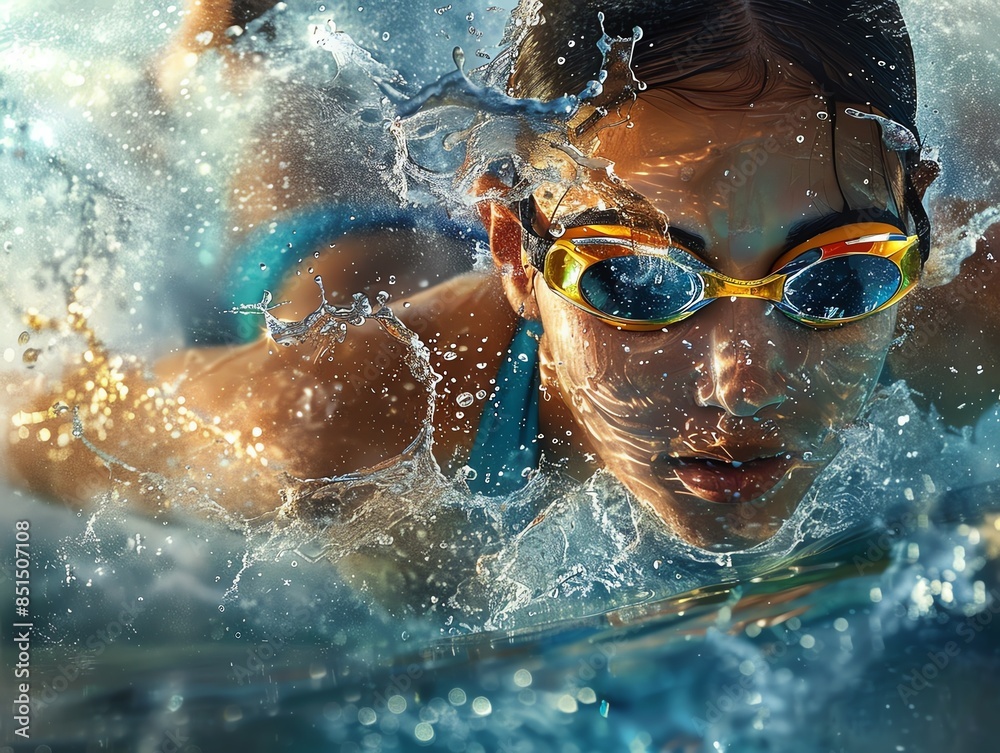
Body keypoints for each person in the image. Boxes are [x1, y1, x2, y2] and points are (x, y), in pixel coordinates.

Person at [3, 0, 986, 552]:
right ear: (516, 255)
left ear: (919, 233)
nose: (741, 379)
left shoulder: (968, 315)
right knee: (274, 105)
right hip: (331, 271)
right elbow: (37, 422)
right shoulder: (338, 423)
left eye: (837, 282)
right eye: (636, 284)